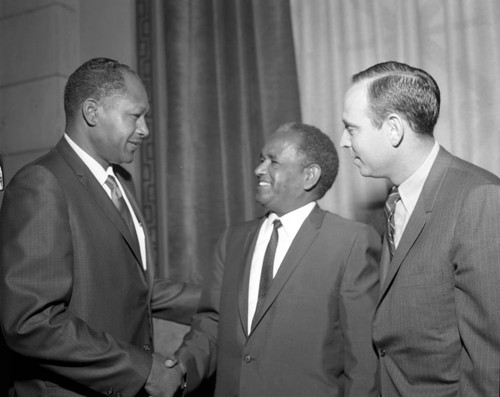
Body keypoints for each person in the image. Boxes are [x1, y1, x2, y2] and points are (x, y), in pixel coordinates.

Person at [0, 58, 200, 397]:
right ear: (92, 112)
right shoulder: (41, 184)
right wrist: (143, 370)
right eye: (135, 116)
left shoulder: (122, 181)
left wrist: (226, 300)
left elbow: (132, 286)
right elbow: (30, 322)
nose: (145, 130)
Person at [169, 122, 381, 396]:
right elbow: (212, 325)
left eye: (274, 162)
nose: (259, 170)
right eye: (261, 160)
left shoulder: (351, 241)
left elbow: (363, 359)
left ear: (309, 176)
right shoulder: (233, 240)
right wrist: (180, 369)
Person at [341, 60, 500, 396]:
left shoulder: (479, 198)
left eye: (352, 128)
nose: (344, 141)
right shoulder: (397, 197)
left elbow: (490, 358)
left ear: (394, 129)